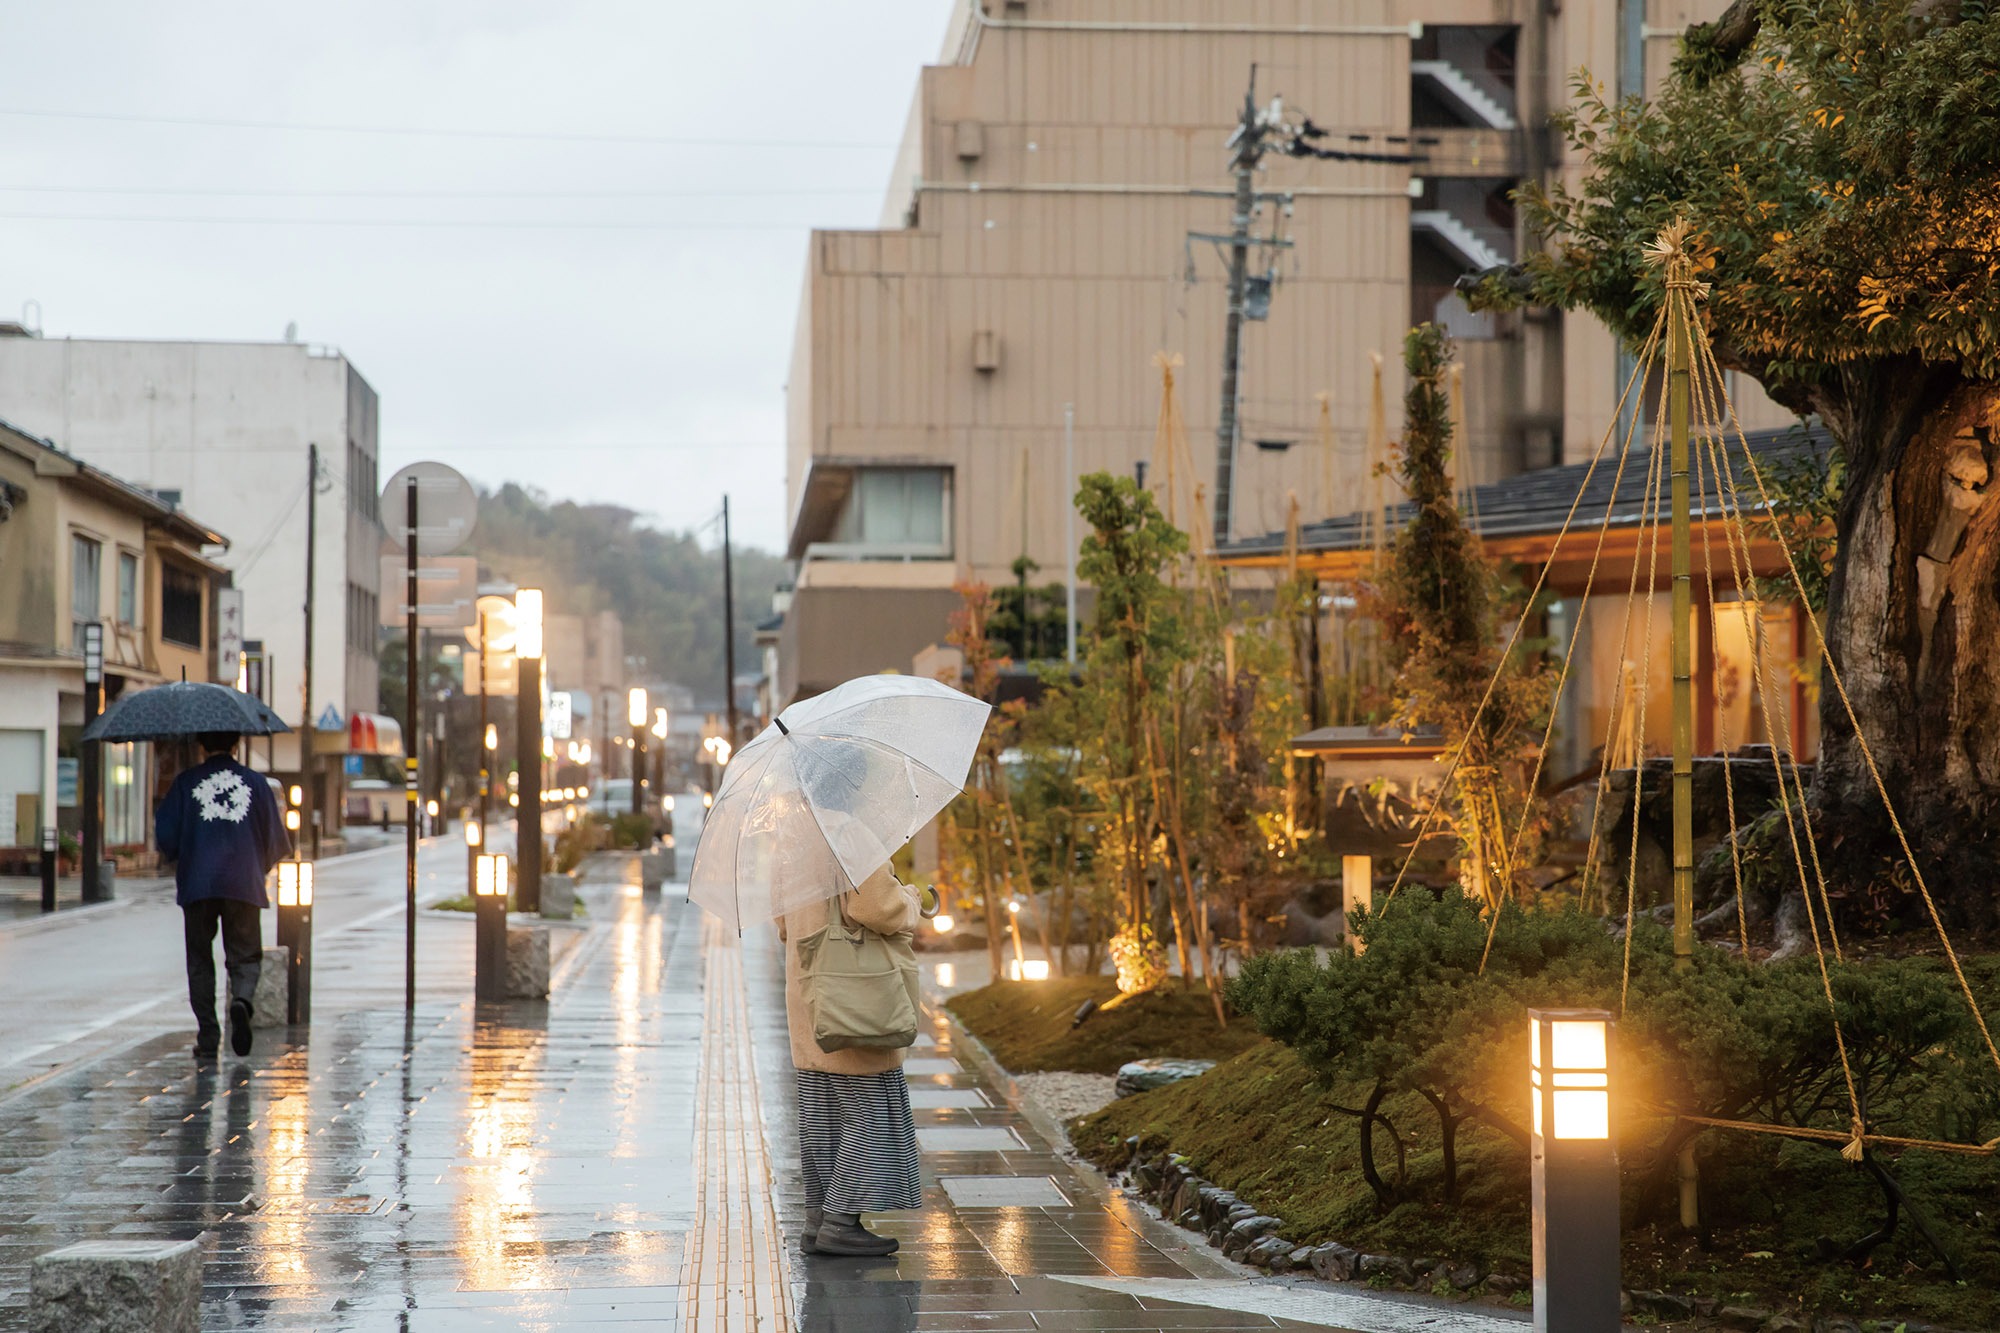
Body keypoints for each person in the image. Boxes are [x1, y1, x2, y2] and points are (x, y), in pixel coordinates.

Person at [778, 863, 933, 1258]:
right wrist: (911, 900)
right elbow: (875, 909)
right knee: (870, 1113)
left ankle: (817, 1222)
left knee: (822, 1117)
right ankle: (841, 1222)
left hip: (811, 991)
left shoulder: (794, 842)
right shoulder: (851, 835)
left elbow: (782, 924)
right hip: (854, 992)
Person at [155, 731, 292, 1060]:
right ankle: (242, 1001)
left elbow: (165, 837)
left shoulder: (186, 783)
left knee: (200, 960)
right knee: (245, 955)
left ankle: (207, 1036)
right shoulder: (256, 784)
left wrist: (182, 855)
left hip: (198, 883)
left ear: (202, 746)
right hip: (243, 882)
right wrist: (258, 869)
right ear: (236, 745)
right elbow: (276, 841)